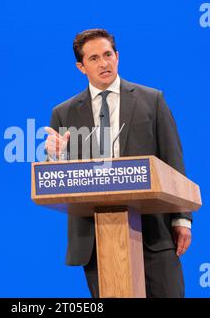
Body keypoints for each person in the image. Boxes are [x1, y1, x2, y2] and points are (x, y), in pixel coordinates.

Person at [44, 28, 193, 298]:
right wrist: (55, 157)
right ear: (81, 66)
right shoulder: (63, 113)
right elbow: (57, 180)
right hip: (96, 239)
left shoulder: (152, 100)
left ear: (118, 56)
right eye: (94, 58)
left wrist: (182, 218)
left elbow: (173, 160)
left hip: (154, 233)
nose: (104, 63)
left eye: (108, 54)